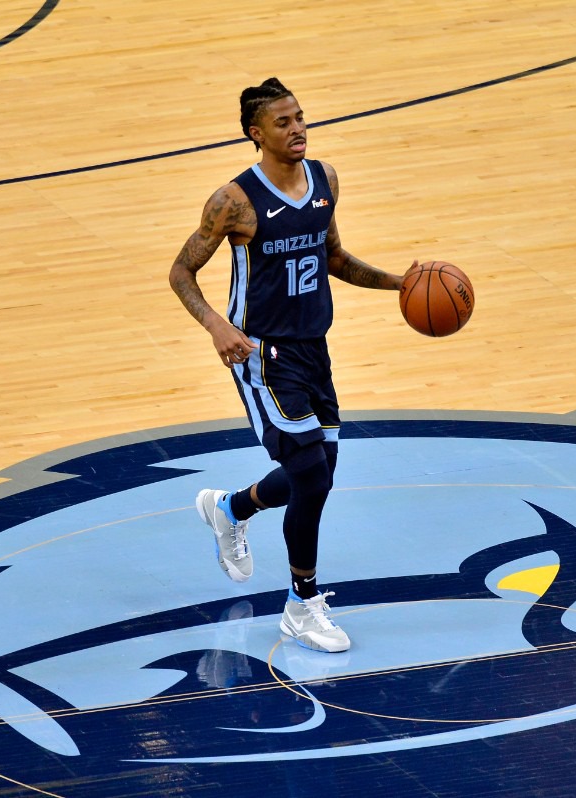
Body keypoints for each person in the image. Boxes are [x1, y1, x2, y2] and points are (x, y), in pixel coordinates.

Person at [168, 77, 408, 653]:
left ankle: (231, 508)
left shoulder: (324, 180)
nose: (297, 128)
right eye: (283, 122)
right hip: (261, 351)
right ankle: (302, 605)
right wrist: (216, 326)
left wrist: (401, 283)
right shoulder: (234, 200)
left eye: (300, 117)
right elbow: (181, 273)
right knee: (312, 475)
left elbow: (334, 259)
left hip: (313, 347)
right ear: (257, 134)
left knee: (317, 471)